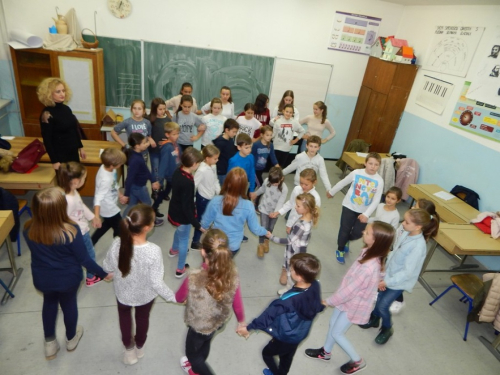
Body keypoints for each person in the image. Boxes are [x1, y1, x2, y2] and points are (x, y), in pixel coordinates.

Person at [23, 187, 110, 360]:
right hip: (68, 279)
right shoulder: (71, 231)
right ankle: (71, 339)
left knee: (49, 303)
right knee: (69, 305)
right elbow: (84, 259)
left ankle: (49, 344)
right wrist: (102, 273)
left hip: (42, 278)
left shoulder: (28, 229)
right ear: (59, 209)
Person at [305, 222, 394, 375]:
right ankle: (326, 352)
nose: (363, 232)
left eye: (367, 232)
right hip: (347, 299)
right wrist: (378, 279)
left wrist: (328, 301)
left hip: (354, 304)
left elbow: (350, 291)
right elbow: (375, 273)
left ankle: (358, 361)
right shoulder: (369, 251)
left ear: (376, 240)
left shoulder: (369, 266)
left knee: (337, 333)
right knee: (333, 323)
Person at [103, 204, 176, 365]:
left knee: (124, 317)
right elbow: (157, 282)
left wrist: (109, 273)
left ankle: (129, 351)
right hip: (145, 296)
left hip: (123, 293)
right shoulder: (154, 251)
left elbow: (107, 268)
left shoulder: (117, 243)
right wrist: (174, 297)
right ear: (148, 228)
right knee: (143, 318)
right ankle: (140, 347)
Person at [359, 209, 439, 344]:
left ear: (418, 227)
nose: (403, 223)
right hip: (388, 275)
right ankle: (374, 319)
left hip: (398, 282)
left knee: (384, 305)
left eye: (407, 222)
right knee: (379, 299)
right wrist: (383, 266)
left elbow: (407, 273)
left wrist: (387, 282)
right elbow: (395, 250)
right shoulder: (407, 233)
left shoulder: (418, 247)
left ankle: (387, 328)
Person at [237, 253, 324, 375]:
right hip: (300, 333)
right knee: (287, 356)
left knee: (266, 354)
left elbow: (268, 316)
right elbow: (318, 305)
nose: (290, 269)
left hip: (285, 337)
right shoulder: (315, 284)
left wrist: (248, 328)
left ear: (298, 276)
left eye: (292, 268)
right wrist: (322, 306)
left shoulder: (288, 301)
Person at [176, 229, 245, 375]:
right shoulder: (232, 274)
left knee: (192, 354)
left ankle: (196, 368)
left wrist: (186, 299)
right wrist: (241, 321)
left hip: (198, 323)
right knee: (206, 341)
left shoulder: (193, 277)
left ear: (202, 251)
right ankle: (197, 365)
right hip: (218, 321)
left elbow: (179, 297)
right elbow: (237, 300)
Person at [327, 152, 384, 265]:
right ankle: (340, 249)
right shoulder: (356, 173)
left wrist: (366, 214)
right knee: (345, 229)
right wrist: (332, 191)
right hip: (349, 206)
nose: (373, 166)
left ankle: (347, 239)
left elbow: (376, 200)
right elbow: (342, 183)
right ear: (365, 163)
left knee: (358, 233)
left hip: (363, 212)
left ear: (379, 165)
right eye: (370, 163)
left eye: (376, 164)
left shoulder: (379, 180)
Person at [200, 168, 269, 256]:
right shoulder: (248, 205)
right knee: (225, 266)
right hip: (233, 246)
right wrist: (266, 232)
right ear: (244, 186)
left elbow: (204, 223)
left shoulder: (215, 201)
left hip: (215, 244)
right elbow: (255, 229)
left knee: (212, 265)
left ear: (227, 182)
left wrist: (205, 231)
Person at [389, 198, 440, 314]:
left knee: (397, 283)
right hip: (396, 255)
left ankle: (399, 301)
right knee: (390, 275)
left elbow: (407, 270)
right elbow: (398, 237)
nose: (412, 207)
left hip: (402, 262)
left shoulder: (416, 239)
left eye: (415, 207)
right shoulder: (408, 225)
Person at [271, 169, 321, 283]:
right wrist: (279, 212)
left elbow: (312, 217)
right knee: (288, 249)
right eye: (301, 183)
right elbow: (290, 204)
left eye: (306, 184)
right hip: (293, 224)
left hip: (301, 228)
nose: (303, 186)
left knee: (295, 251)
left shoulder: (316, 198)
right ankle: (285, 268)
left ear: (314, 182)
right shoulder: (297, 189)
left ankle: (292, 270)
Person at [57, 162, 102, 287]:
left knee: (80, 254)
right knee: (89, 254)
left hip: (79, 230)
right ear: (76, 181)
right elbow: (62, 220)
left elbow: (81, 205)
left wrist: (92, 216)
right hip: (79, 233)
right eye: (84, 178)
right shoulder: (68, 200)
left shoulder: (72, 192)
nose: (85, 180)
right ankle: (91, 276)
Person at [269, 193, 319, 295]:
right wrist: (292, 229)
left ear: (306, 208)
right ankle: (288, 287)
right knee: (290, 270)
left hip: (294, 252)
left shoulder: (302, 225)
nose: (295, 207)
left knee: (293, 272)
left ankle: (291, 290)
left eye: (298, 206)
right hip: (295, 249)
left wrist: (271, 237)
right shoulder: (306, 219)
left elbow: (289, 240)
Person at [168, 147, 204, 278]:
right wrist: (197, 224)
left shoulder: (178, 171)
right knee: (185, 240)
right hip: (184, 216)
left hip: (174, 210)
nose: (199, 165)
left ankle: (173, 250)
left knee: (179, 231)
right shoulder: (188, 182)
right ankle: (180, 268)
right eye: (199, 163)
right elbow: (187, 207)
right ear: (194, 164)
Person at [37, 77, 85, 170]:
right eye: (58, 92)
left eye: (63, 91)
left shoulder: (66, 109)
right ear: (49, 94)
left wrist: (80, 147)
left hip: (73, 151)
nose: (62, 94)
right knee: (67, 182)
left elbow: (74, 130)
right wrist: (54, 161)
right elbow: (47, 140)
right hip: (61, 155)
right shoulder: (47, 114)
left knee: (76, 178)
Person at [122, 133, 162, 225]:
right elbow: (129, 178)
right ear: (137, 146)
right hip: (139, 187)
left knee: (132, 206)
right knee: (147, 205)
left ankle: (123, 222)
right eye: (144, 143)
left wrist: (152, 181)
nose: (147, 144)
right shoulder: (135, 160)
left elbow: (145, 169)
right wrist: (126, 194)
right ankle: (151, 221)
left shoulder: (136, 153)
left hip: (135, 186)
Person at [91, 148, 127, 246]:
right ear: (112, 165)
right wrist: (96, 217)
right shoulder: (105, 179)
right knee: (120, 229)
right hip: (109, 208)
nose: (121, 165)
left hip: (110, 204)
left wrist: (120, 194)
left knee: (106, 225)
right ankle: (118, 247)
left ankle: (91, 242)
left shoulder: (108, 167)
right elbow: (98, 198)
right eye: (120, 164)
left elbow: (114, 183)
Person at [191, 145, 221, 250]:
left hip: (212, 197)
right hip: (203, 199)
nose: (217, 160)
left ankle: (209, 239)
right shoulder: (201, 170)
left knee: (211, 218)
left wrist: (219, 192)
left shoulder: (213, 166)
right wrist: (191, 199)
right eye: (215, 158)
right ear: (207, 158)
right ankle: (195, 241)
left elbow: (215, 180)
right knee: (201, 220)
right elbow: (194, 184)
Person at [254, 167, 288, 258]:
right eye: (272, 182)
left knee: (271, 227)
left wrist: (276, 212)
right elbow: (262, 189)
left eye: (276, 183)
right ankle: (261, 245)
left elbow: (281, 201)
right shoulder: (267, 181)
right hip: (264, 209)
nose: (273, 184)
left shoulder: (284, 188)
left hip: (275, 211)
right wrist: (255, 194)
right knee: (264, 227)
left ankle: (266, 241)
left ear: (281, 179)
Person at [152, 121, 181, 208]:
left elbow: (180, 156)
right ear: (167, 135)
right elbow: (163, 164)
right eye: (174, 134)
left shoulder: (176, 144)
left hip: (175, 172)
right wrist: (159, 180)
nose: (177, 136)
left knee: (166, 191)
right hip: (170, 174)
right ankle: (154, 208)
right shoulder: (167, 147)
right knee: (177, 191)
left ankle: (155, 207)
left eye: (178, 133)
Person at [148, 97, 171, 182]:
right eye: (160, 109)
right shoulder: (149, 119)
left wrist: (168, 141)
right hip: (154, 151)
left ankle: (160, 189)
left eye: (164, 109)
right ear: (154, 109)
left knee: (163, 171)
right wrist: (149, 138)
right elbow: (144, 132)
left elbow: (171, 134)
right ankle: (155, 191)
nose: (163, 111)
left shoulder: (167, 120)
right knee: (155, 170)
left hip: (164, 151)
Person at [227, 133, 257, 199]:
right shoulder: (233, 161)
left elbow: (252, 172)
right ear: (239, 147)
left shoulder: (251, 157)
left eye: (250, 147)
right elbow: (229, 177)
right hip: (234, 187)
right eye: (246, 148)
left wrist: (252, 189)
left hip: (245, 184)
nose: (250, 150)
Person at [213, 118, 239, 186]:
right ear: (227, 130)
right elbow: (214, 157)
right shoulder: (220, 143)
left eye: (236, 132)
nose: (235, 134)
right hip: (222, 171)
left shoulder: (231, 139)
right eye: (233, 132)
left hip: (228, 168)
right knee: (223, 189)